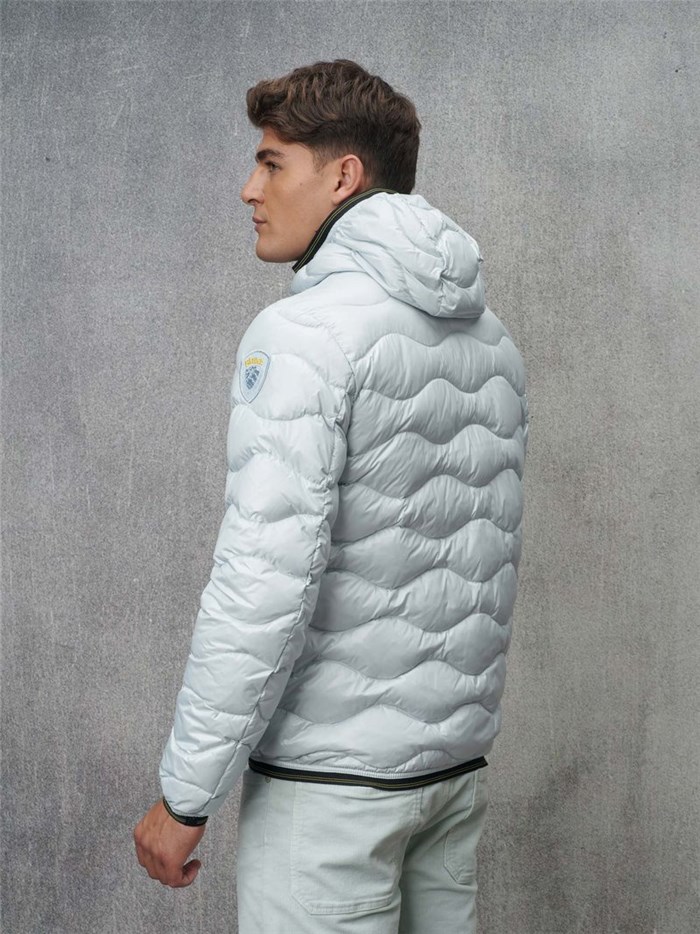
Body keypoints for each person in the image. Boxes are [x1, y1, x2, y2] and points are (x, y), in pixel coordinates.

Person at [134, 58, 529, 934]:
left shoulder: (305, 334)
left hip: (329, 797)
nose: (249, 189)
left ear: (344, 175)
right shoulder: (493, 342)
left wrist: (186, 793)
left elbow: (264, 580)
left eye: (271, 163)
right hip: (450, 780)